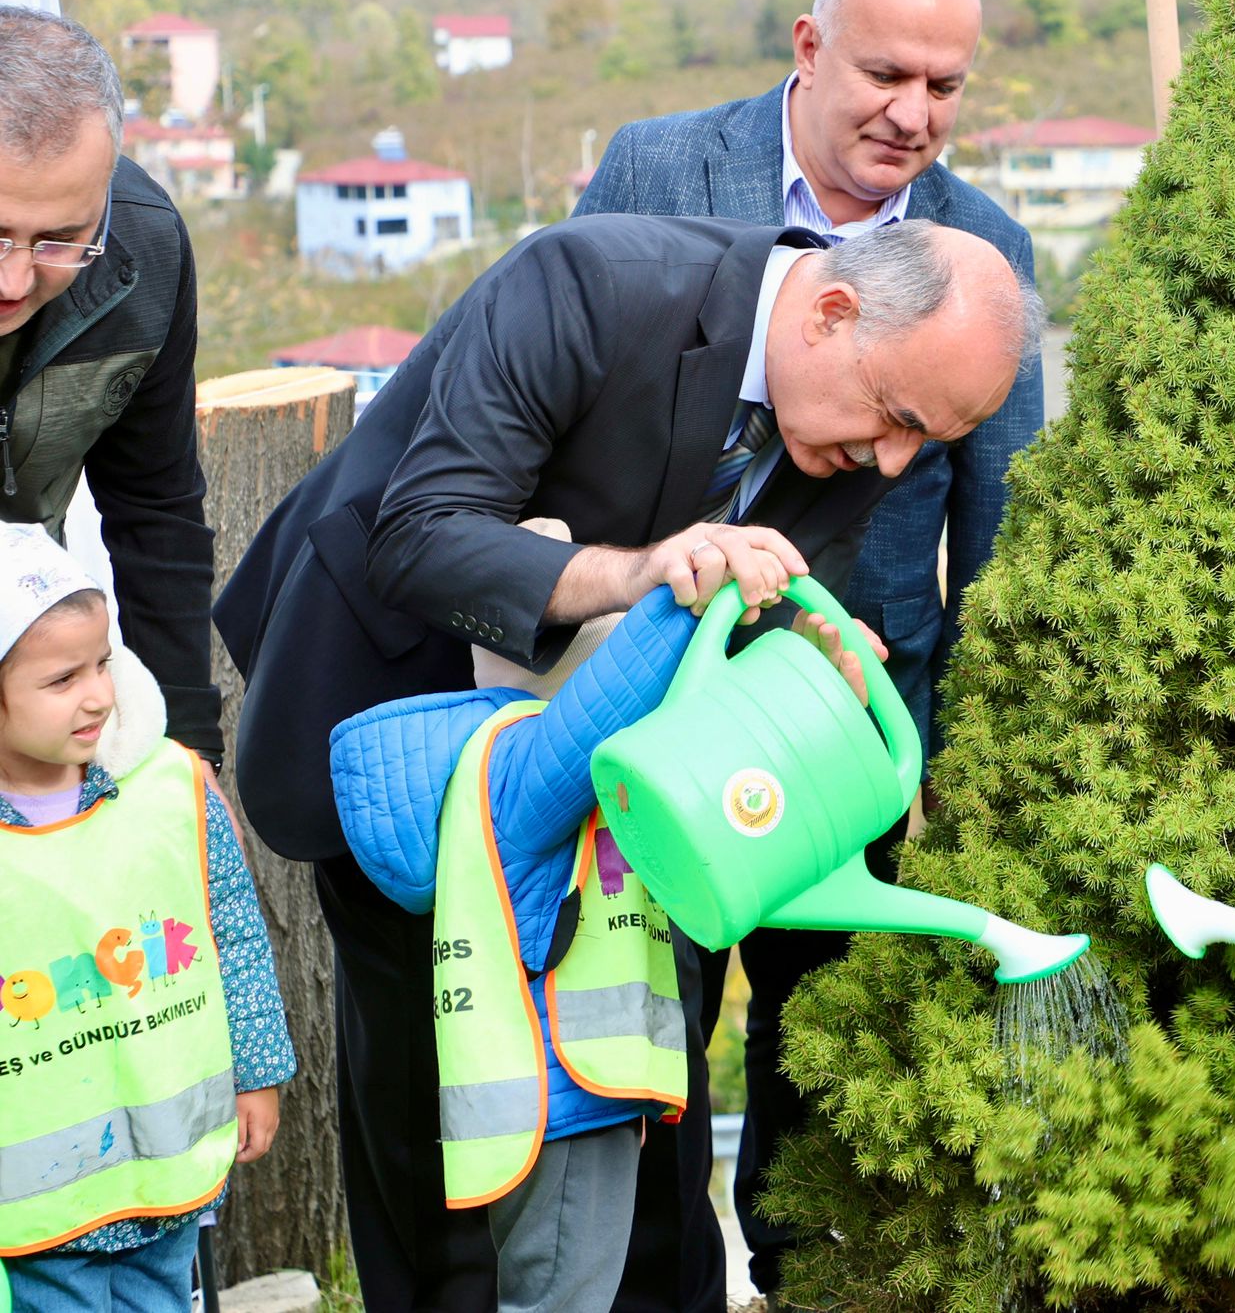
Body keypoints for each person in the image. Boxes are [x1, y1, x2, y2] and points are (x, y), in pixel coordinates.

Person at [212, 216, 1043, 1313]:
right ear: (830, 313)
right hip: (408, 735)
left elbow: (758, 595)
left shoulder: (855, 411)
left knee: (643, 1096)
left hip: (627, 787)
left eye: (923, 443)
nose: (892, 463)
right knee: (438, 1122)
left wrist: (796, 645)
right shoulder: (589, 284)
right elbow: (421, 534)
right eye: (893, 421)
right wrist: (646, 572)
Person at [570, 0, 1044, 1295]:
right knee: (644, 1031)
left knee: (816, 1043)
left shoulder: (987, 250)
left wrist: (951, 754)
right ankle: (653, 1284)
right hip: (647, 705)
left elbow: (1001, 526)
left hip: (846, 730)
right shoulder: (655, 172)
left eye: (946, 86)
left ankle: (806, 1276)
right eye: (888, 73)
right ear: (808, 46)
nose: (915, 112)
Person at [329, 516, 872, 1313]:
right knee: (561, 1299)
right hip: (559, 1107)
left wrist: (824, 691)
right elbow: (611, 698)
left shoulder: (596, 797)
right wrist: (692, 587)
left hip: (581, 1097)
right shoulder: (519, 774)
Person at [0, 524, 294, 1308]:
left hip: (165, 1173)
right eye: (62, 680)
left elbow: (230, 928)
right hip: (39, 1209)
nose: (98, 693)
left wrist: (258, 1074)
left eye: (102, 663)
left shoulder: (170, 788)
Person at [0, 9, 221, 767]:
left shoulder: (147, 249)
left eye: (62, 239)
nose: (15, 278)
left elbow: (157, 511)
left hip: (34, 675)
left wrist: (188, 752)